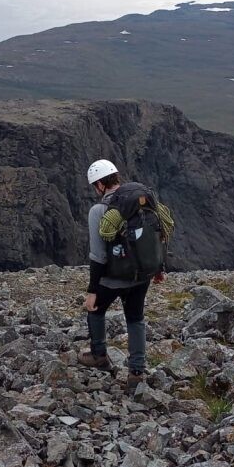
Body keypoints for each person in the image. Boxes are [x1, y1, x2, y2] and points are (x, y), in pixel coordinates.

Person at [79, 159, 168, 394]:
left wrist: (92, 290)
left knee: (95, 311)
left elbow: (98, 255)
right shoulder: (143, 202)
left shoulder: (100, 210)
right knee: (135, 319)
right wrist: (158, 269)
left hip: (112, 278)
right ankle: (137, 372)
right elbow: (157, 237)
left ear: (99, 184)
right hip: (142, 275)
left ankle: (99, 356)